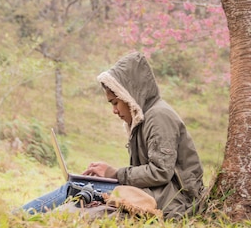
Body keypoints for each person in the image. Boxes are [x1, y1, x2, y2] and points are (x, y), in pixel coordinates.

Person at [17, 51, 204, 218]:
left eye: (115, 102)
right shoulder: (145, 118)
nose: (114, 110)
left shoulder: (159, 116)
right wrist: (110, 177)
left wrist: (115, 174)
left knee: (73, 190)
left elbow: (160, 172)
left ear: (129, 96)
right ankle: (26, 217)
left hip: (175, 200)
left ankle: (15, 217)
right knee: (82, 192)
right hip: (159, 193)